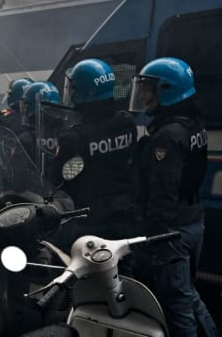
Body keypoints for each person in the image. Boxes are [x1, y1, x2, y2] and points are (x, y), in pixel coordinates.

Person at [129, 57, 217, 337]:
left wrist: (153, 238)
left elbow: (162, 195)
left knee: (176, 303)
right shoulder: (192, 123)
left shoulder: (167, 136)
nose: (143, 96)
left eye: (148, 89)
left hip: (173, 231)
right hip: (192, 220)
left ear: (167, 91)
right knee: (189, 294)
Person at [52, 59, 137, 242]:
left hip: (91, 222)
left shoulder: (74, 139)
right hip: (126, 215)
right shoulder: (127, 122)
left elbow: (57, 179)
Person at [17, 81, 61, 162]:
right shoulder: (67, 133)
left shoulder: (26, 139)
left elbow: (17, 167)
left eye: (26, 104)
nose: (24, 108)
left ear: (33, 104)